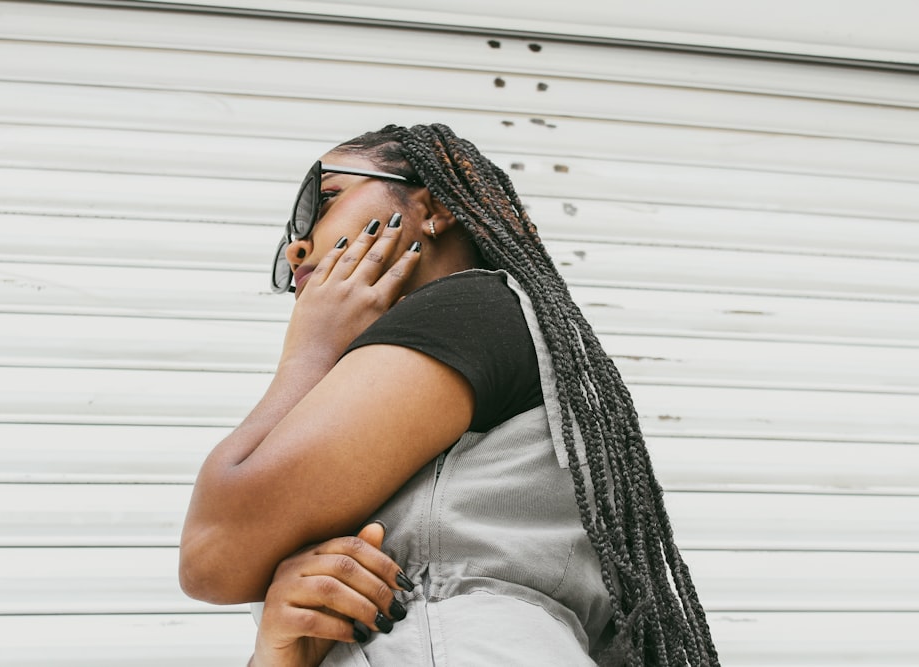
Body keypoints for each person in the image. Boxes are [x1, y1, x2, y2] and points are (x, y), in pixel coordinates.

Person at [179, 124, 719, 666]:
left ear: (433, 207)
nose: (296, 245)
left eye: (323, 199)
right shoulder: (506, 352)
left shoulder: (471, 311)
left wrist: (309, 350)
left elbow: (212, 555)